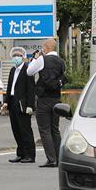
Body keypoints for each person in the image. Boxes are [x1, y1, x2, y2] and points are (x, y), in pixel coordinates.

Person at [26, 38, 65, 168]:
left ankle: (51, 159)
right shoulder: (61, 61)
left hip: (44, 98)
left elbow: (29, 71)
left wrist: (36, 58)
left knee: (44, 129)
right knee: (55, 129)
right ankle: (59, 158)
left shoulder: (43, 59)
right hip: (56, 98)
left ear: (46, 47)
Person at [4, 47, 36, 163]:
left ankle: (30, 155)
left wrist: (30, 106)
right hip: (13, 102)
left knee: (25, 129)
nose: (16, 57)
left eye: (18, 55)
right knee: (16, 129)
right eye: (14, 55)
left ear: (23, 57)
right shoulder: (13, 70)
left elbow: (31, 89)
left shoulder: (27, 70)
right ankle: (20, 153)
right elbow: (9, 88)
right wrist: (6, 102)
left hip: (23, 104)